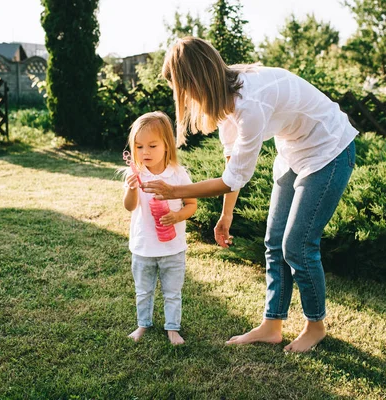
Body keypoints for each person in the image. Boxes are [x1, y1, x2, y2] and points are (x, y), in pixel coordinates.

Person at [142, 37, 357, 352]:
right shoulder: (226, 100)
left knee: (297, 245)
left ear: (195, 81)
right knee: (274, 242)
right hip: (295, 152)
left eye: (182, 88)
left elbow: (232, 178)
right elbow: (233, 165)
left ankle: (315, 325)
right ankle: (272, 325)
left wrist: (175, 190)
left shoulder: (249, 101)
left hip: (330, 150)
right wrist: (226, 214)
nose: (184, 97)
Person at [122, 111, 197, 345]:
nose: (145, 152)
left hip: (173, 248)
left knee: (172, 292)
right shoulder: (135, 174)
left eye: (152, 145)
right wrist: (131, 188)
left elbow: (192, 204)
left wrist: (177, 216)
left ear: (167, 145)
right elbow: (129, 207)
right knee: (143, 291)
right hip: (143, 247)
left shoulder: (177, 174)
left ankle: (172, 328)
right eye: (139, 146)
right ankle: (143, 324)